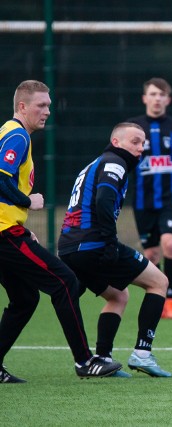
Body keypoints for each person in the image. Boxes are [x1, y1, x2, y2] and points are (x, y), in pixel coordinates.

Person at [0, 80, 122, 382]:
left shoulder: (8, 132)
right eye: (41, 105)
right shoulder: (17, 136)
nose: (48, 111)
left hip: (8, 230)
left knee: (25, 298)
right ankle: (84, 362)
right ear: (22, 107)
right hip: (3, 234)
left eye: (49, 105)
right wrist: (28, 201)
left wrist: (22, 225)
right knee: (65, 280)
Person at [58, 122, 172, 378]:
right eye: (135, 141)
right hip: (93, 244)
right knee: (159, 282)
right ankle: (142, 353)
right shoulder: (114, 163)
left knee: (118, 296)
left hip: (69, 247)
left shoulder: (94, 164)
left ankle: (102, 359)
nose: (140, 148)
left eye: (143, 143)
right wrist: (109, 243)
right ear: (116, 141)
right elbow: (103, 201)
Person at [127, 77, 172, 320]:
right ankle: (156, 297)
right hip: (142, 201)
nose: (157, 99)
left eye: (162, 95)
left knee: (169, 244)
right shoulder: (133, 129)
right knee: (151, 255)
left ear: (168, 99)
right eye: (153, 94)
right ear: (144, 98)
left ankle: (169, 299)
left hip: (171, 199)